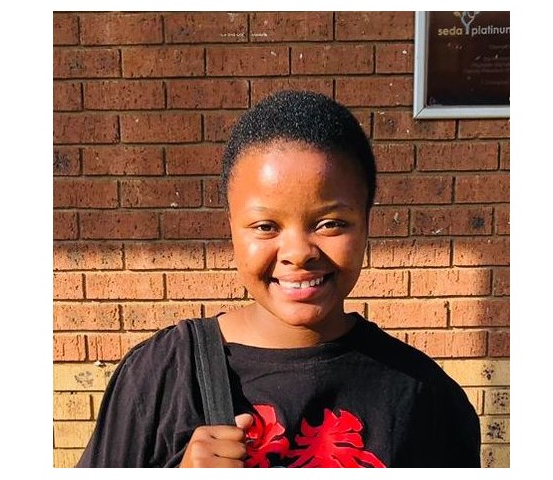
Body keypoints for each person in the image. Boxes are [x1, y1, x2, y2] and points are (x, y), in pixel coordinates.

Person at [76, 90, 481, 468]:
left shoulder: (426, 398)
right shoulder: (161, 376)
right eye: (266, 226)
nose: (298, 252)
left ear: (366, 223)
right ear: (232, 229)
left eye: (330, 223)